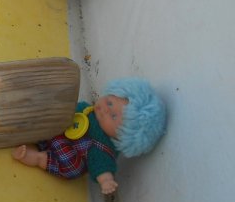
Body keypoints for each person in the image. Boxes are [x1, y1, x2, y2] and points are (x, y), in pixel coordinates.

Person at [12, 78, 166, 194]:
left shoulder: (104, 147)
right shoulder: (86, 109)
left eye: (113, 117)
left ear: (122, 136)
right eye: (110, 103)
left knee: (67, 164)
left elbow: (102, 166)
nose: (105, 109)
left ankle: (35, 157)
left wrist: (106, 180)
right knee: (50, 118)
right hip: (56, 132)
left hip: (66, 156)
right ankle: (27, 129)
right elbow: (69, 109)